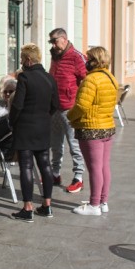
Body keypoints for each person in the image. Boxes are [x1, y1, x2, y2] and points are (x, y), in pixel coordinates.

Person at [9, 44, 60, 222]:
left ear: (29, 60)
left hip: (25, 127)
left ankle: (28, 207)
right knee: (45, 164)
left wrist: (12, 121)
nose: (21, 63)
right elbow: (55, 104)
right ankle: (47, 205)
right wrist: (44, 116)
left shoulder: (25, 77)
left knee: (26, 166)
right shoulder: (49, 78)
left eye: (22, 59)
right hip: (43, 126)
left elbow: (18, 105)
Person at [67, 47, 119, 217]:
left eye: (88, 59)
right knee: (104, 166)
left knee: (94, 168)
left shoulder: (91, 79)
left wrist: (70, 116)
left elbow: (82, 105)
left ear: (95, 61)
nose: (86, 62)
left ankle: (94, 204)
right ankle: (103, 202)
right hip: (107, 126)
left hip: (91, 128)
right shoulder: (110, 77)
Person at [48, 28, 87, 194]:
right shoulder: (55, 56)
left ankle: (78, 177)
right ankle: (55, 173)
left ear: (64, 39)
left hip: (70, 108)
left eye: (55, 41)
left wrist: (79, 102)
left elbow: (87, 80)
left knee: (74, 144)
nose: (53, 45)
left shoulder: (77, 57)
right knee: (55, 144)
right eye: (51, 42)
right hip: (54, 108)